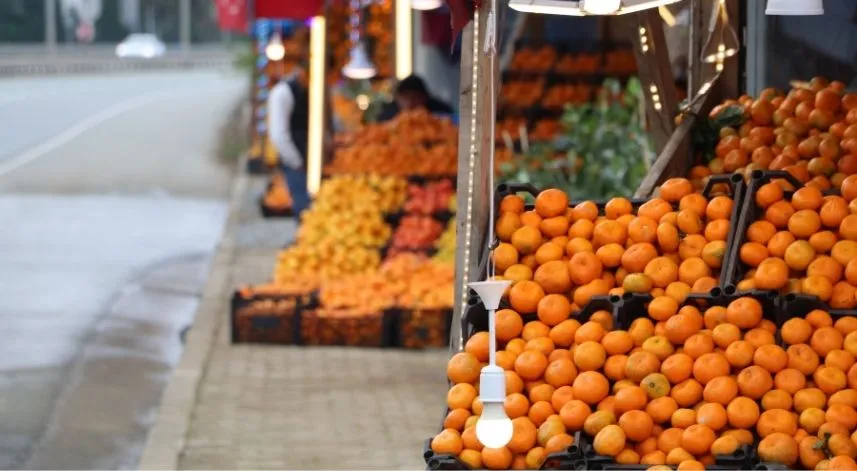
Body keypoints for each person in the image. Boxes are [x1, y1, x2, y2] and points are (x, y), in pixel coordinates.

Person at [267, 68, 311, 217]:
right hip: (297, 163)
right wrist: (296, 161)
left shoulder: (309, 91)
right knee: (303, 207)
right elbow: (278, 135)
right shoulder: (282, 93)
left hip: (307, 160)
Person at [377, 75, 454, 122]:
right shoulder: (387, 117)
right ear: (398, 98)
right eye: (406, 98)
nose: (410, 102)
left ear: (425, 98)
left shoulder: (440, 114)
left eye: (415, 97)